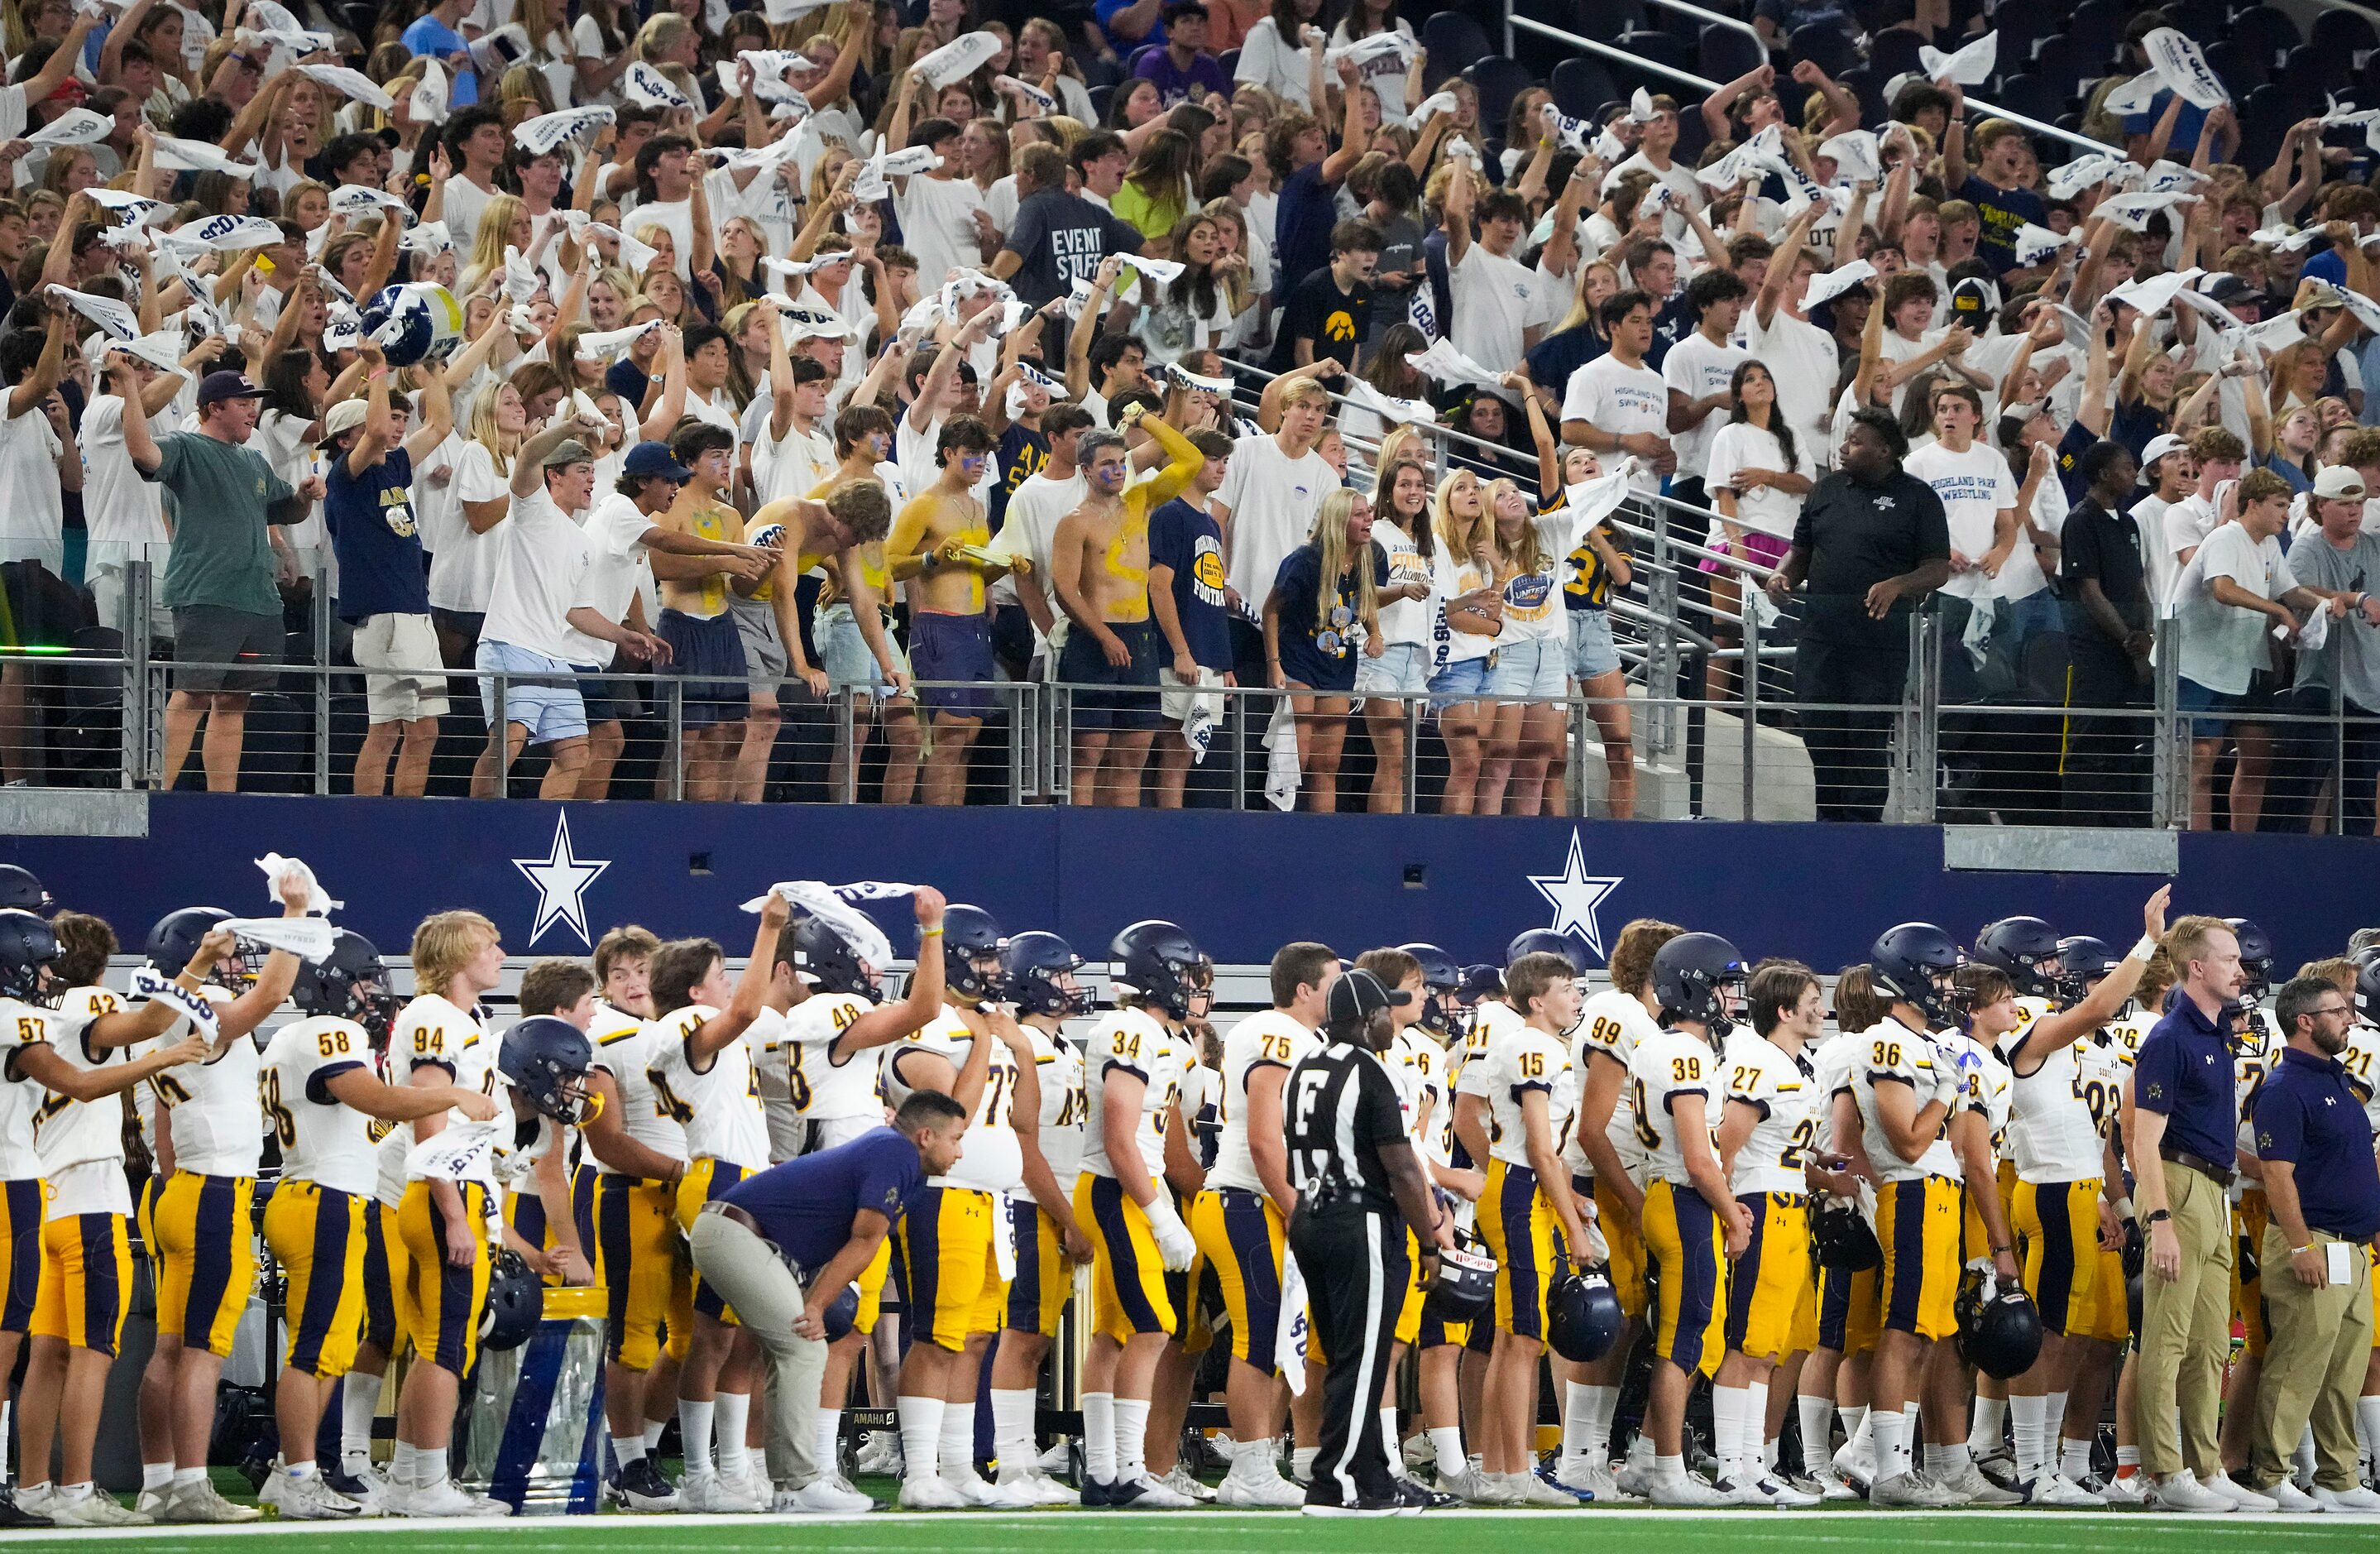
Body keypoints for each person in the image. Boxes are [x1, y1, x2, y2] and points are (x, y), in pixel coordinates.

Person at [690, 1091, 968, 1515]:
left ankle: (783, 1483)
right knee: (803, 1344)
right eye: (956, 1139)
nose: (960, 1152)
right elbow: (864, 1238)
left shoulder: (894, 1154)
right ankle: (800, 1482)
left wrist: (816, 1298)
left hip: (740, 1235)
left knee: (785, 1351)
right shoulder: (896, 1153)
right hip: (737, 1235)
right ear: (926, 1136)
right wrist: (816, 1304)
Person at [1284, 967, 1452, 1514]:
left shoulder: (1303, 1065)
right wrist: (1428, 1241)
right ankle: (1334, 1482)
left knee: (1345, 1356)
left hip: (1310, 1214)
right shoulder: (1369, 1072)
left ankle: (1371, 1475)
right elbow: (1402, 1169)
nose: (1392, 1020)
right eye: (1384, 1010)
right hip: (1359, 1221)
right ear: (1366, 1017)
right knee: (1362, 1359)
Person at [122, 369, 323, 794]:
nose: (254, 410)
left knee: (234, 703)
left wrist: (304, 495)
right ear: (214, 408)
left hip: (258, 600)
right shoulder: (185, 446)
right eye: (244, 402)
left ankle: (222, 804)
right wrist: (126, 384)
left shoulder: (253, 460)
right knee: (193, 694)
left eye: (255, 402)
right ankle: (152, 798)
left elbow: (286, 510)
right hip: (207, 595)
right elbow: (141, 449)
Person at [1191, 942, 1337, 1508]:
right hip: (1246, 1200)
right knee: (1257, 1336)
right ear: (1303, 989)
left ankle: (1258, 1461)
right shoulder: (1275, 1034)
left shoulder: (1309, 1040)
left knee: (1277, 1340)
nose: (1338, 989)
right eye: (1332, 979)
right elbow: (1261, 1135)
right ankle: (1248, 1467)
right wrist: (1295, 1206)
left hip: (1259, 1204)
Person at [2129, 915, 2259, 1512]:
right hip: (2176, 1187)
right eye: (2230, 959)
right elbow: (2141, 1140)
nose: (2242, 968)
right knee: (2167, 1338)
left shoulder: (2212, 1034)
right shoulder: (2169, 1038)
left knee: (2210, 1342)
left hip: (2213, 1190)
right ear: (2196, 968)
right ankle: (2161, 1470)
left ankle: (2204, 1468)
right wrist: (2157, 1219)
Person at [1766, 410, 1951, 823]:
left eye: (1855, 442)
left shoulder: (1917, 498)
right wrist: (1783, 576)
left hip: (1880, 643)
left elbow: (1938, 568)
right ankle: (1829, 828)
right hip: (1821, 637)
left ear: (1885, 450)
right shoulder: (1825, 490)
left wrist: (1897, 585)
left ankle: (1864, 835)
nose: (1844, 449)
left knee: (1865, 738)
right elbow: (1801, 553)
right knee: (1819, 734)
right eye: (1844, 441)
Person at [2241, 976, 2380, 1510]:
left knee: (2342, 1368)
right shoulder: (2284, 1088)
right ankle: (2272, 1473)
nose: (2350, 1019)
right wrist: (2301, 1248)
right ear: (2305, 1020)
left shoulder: (2337, 1080)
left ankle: (2338, 1476)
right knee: (2297, 1365)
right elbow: (2275, 1175)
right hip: (2314, 1241)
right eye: (2338, 1011)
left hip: (2350, 1246)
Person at [1050, 411, 1207, 807]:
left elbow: (1191, 460)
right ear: (1085, 470)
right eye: (1107, 464)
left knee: (1134, 752)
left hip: (1139, 637)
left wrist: (1147, 420)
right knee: (1088, 754)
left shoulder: (1140, 502)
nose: (1118, 471)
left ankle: (1122, 843)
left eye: (1122, 463)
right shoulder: (1074, 523)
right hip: (1094, 639)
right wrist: (1103, 637)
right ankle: (1082, 839)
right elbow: (1065, 591)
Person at [320, 353, 454, 799]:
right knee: (391, 729)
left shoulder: (393, 467)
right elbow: (378, 430)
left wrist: (431, 371)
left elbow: (439, 427)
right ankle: (370, 821)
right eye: (373, 424)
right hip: (384, 617)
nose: (393, 427)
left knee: (424, 731)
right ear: (345, 441)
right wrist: (377, 368)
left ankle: (405, 819)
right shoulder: (346, 477)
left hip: (415, 613)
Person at [885, 415, 1017, 806]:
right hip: (941, 625)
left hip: (977, 626)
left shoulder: (977, 506)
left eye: (985, 456)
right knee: (951, 732)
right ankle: (936, 830)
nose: (980, 463)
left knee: (969, 736)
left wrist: (1006, 565)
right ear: (948, 454)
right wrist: (930, 558)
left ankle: (955, 830)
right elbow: (889, 562)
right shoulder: (923, 504)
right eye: (972, 454)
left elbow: (975, 571)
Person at [2057, 440, 2153, 827]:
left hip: (2129, 652)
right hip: (2095, 652)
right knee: (2088, 740)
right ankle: (2081, 828)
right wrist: (2127, 639)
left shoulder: (2128, 523)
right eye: (2127, 467)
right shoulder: (2081, 520)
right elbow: (2089, 591)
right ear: (2103, 474)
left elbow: (2138, 585)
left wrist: (2146, 631)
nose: (2134, 474)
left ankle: (2120, 826)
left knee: (2122, 740)